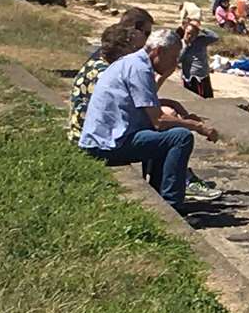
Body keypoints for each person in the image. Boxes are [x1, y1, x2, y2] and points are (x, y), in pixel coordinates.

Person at [78, 29, 219, 208]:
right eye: (173, 57)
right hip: (107, 145)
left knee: (167, 136)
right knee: (181, 137)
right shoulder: (140, 69)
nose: (175, 63)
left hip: (103, 139)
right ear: (158, 51)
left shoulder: (133, 63)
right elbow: (159, 121)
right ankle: (172, 204)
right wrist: (197, 126)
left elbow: (144, 104)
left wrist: (175, 106)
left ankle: (160, 195)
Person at [68, 19, 149, 142]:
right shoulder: (105, 73)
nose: (134, 52)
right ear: (123, 48)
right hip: (92, 137)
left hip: (84, 131)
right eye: (133, 48)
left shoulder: (96, 62)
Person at [178, 19, 219, 99]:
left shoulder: (201, 40)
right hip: (191, 78)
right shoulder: (181, 44)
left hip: (203, 75)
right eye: (188, 33)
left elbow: (215, 37)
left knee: (207, 99)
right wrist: (186, 45)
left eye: (192, 34)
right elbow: (178, 59)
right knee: (193, 99)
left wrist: (201, 28)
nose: (189, 36)